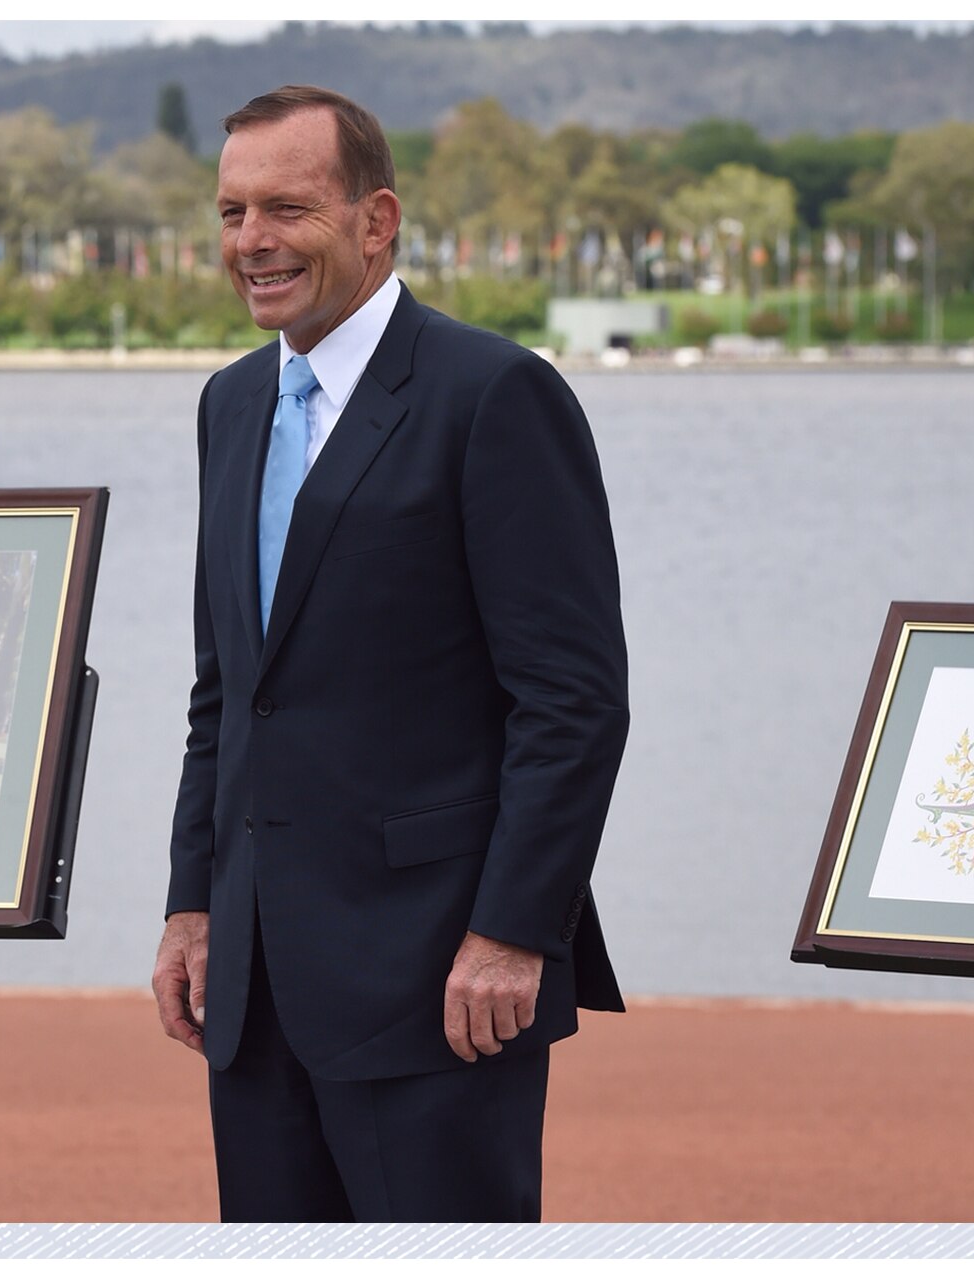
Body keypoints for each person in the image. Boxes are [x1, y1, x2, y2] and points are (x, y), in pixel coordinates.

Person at [151, 85, 629, 1223]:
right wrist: (192, 905)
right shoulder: (229, 405)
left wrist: (515, 931)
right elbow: (227, 692)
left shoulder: (495, 394)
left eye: (285, 208)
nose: (251, 241)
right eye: (230, 213)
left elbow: (571, 703)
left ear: (375, 222)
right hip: (256, 996)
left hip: (443, 985)